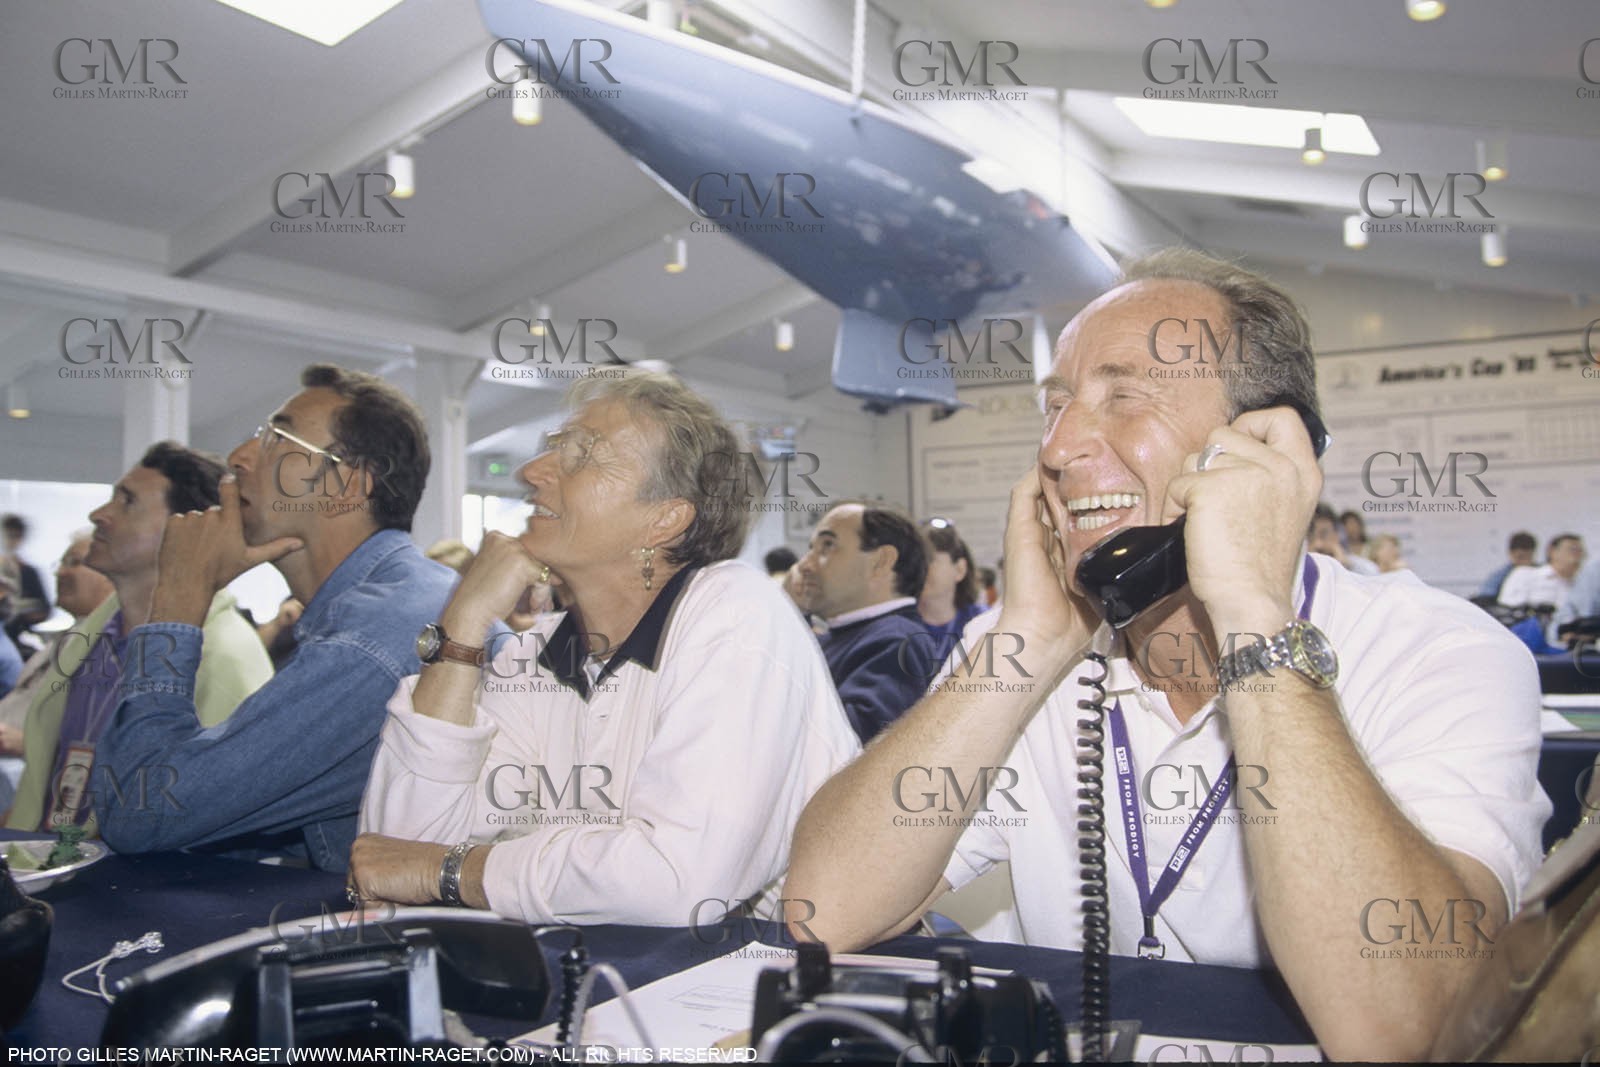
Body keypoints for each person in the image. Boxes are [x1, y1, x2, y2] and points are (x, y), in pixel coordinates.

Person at [785, 248, 1548, 1062]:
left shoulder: (1445, 652)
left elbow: (1408, 1027)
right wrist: (1027, 641)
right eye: (1056, 406)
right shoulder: (1027, 657)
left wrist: (1254, 619)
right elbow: (820, 915)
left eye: (1124, 396)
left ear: (1261, 446)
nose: (1060, 446)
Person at [350, 370, 858, 925]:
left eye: (583, 454)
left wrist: (448, 872)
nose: (532, 471)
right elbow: (395, 850)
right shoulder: (539, 653)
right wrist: (463, 626)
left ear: (665, 518)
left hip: (795, 984)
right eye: (554, 449)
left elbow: (675, 881)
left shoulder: (736, 612)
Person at [91, 365, 457, 871]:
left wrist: (174, 606)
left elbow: (138, 810)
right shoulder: (396, 603)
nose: (239, 458)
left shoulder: (372, 643)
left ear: (346, 485)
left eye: (274, 438)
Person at [6, 445, 273, 833]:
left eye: (127, 502)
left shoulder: (223, 656)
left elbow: (214, 812)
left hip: (139, 886)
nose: (99, 515)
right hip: (50, 873)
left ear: (183, 528)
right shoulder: (88, 640)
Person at [793, 503, 939, 744]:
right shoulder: (840, 636)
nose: (804, 565)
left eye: (827, 546)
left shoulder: (897, 642)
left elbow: (846, 746)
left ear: (881, 561)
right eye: (811, 549)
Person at [0, 534, 114, 768]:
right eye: (61, 563)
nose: (60, 572)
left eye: (74, 563)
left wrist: (26, 744)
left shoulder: (111, 649)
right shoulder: (59, 643)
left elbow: (99, 747)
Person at [918, 521, 985, 647]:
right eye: (916, 559)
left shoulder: (983, 622)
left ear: (960, 569)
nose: (920, 568)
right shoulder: (896, 626)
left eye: (930, 559)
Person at [1499, 534, 1585, 612]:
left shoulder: (1582, 587)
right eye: (1572, 550)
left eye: (1580, 551)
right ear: (1552, 551)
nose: (1577, 556)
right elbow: (1506, 610)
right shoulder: (1525, 574)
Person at [1, 515, 50, 650]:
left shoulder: (28, 572)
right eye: (7, 535)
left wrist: (19, 611)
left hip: (15, 637)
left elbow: (44, 609)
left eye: (15, 536)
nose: (10, 541)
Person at [1308, 503, 1377, 575]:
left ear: (1337, 534)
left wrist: (1343, 565)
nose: (1318, 544)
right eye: (1311, 537)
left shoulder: (1364, 567)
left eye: (1323, 535)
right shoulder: (1299, 566)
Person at [1478, 531, 1537, 601]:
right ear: (1511, 554)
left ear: (1533, 553)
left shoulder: (1542, 572)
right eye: (1519, 557)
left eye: (1526, 557)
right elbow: (1485, 597)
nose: (1522, 562)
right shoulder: (1499, 576)